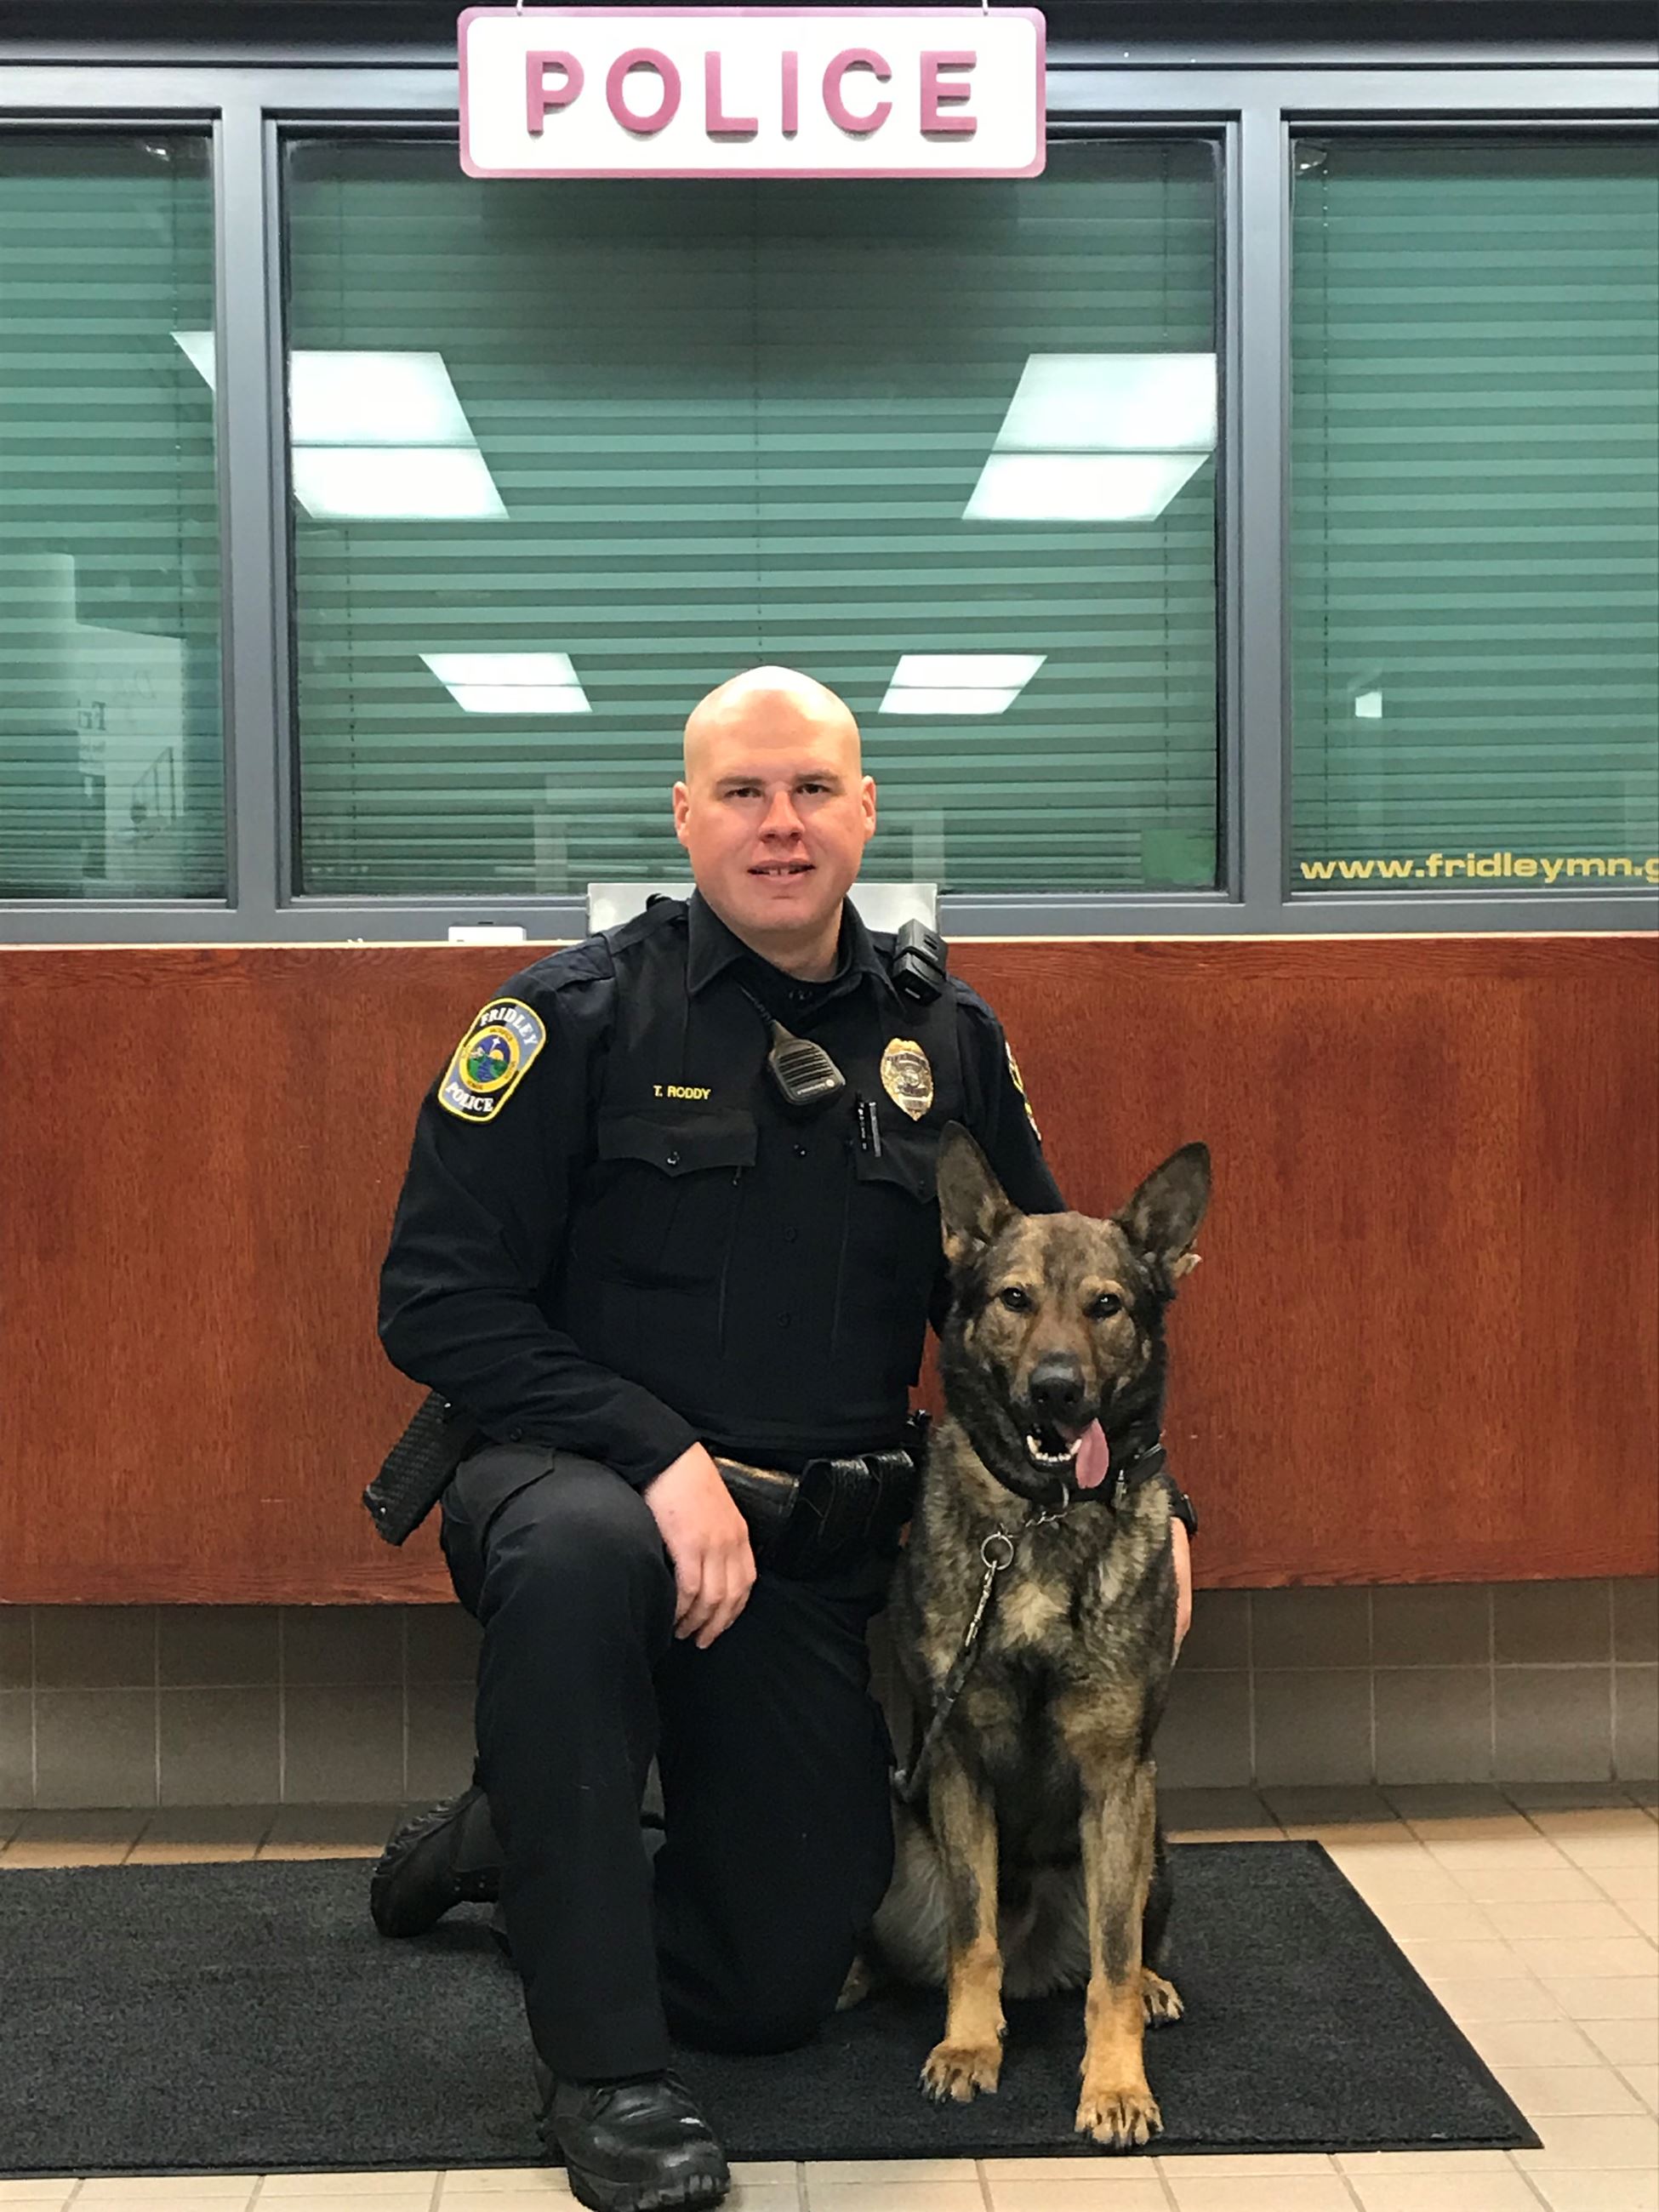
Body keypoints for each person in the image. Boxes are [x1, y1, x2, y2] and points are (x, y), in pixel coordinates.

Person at [373, 666, 1195, 2212]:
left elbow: (1065, 1294)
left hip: (803, 1561)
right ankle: (608, 2082)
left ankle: (522, 1838)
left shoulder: (940, 1035)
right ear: (684, 817)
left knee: (779, 1977)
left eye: (813, 790)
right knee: (579, 1553)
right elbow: (432, 1303)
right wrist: (656, 1452)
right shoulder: (572, 1019)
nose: (779, 824)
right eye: (742, 793)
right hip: (587, 1488)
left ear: (864, 812)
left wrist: (1157, 1507)